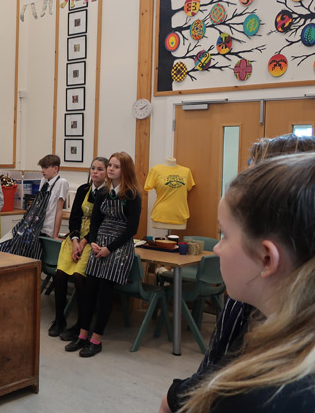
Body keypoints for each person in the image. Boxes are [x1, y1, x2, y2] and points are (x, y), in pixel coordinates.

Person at [162, 133, 315, 412]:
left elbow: (222, 368)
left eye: (225, 235)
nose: (218, 248)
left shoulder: (257, 394)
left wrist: (182, 398)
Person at [69, 151, 141, 358]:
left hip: (118, 247)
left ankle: (96, 339)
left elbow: (131, 229)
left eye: (116, 166)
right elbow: (95, 222)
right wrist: (93, 242)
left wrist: (109, 248)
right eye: (110, 165)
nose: (110, 169)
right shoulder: (103, 193)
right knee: (89, 290)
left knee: (105, 292)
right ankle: (82, 335)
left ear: (125, 170)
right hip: (99, 243)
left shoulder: (132, 195)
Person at [48, 156, 108, 339]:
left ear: (106, 174)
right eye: (93, 168)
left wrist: (84, 242)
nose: (95, 172)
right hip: (75, 237)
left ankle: (82, 324)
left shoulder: (107, 194)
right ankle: (59, 319)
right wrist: (75, 240)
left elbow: (101, 223)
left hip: (92, 240)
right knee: (59, 275)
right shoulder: (83, 189)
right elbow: (74, 216)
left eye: (99, 169)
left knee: (79, 277)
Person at [0, 154, 69, 260]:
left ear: (55, 168)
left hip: (45, 229)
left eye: (45, 167)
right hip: (33, 225)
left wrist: (55, 236)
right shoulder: (44, 181)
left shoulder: (62, 183)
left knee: (24, 250)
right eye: (42, 168)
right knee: (9, 241)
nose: (42, 170)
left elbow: (59, 211)